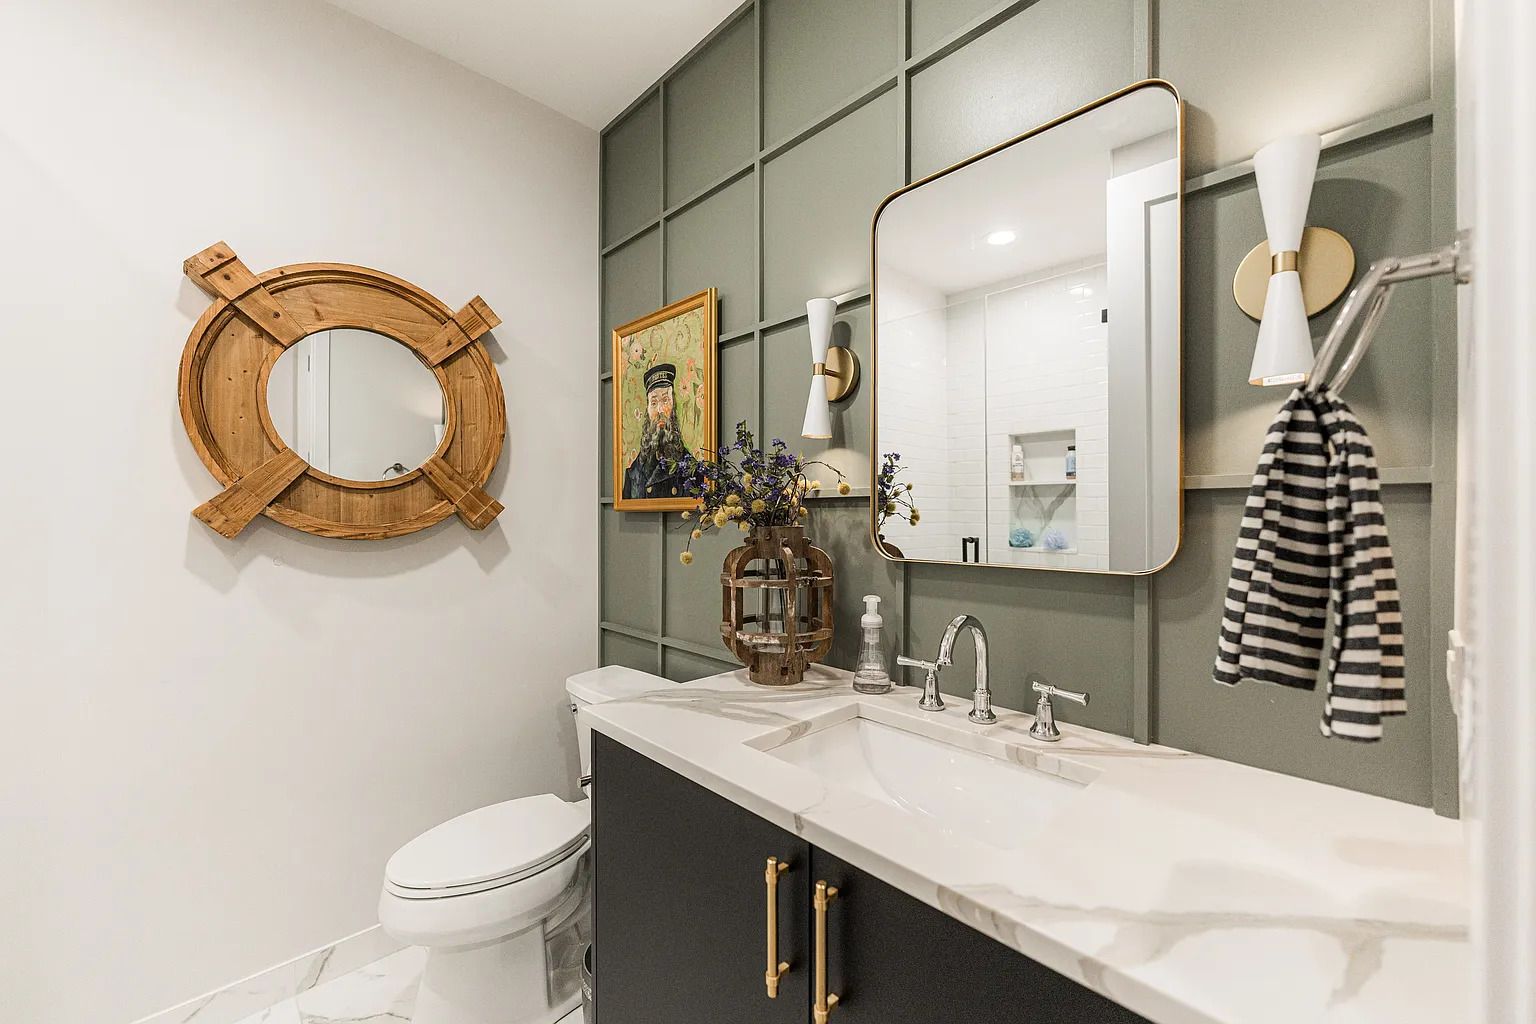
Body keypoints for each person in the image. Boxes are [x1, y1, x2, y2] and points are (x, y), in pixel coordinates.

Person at [622, 363, 691, 501]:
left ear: (674, 405)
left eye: (665, 400)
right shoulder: (633, 474)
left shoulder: (690, 470)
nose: (660, 410)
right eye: (654, 403)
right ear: (647, 409)